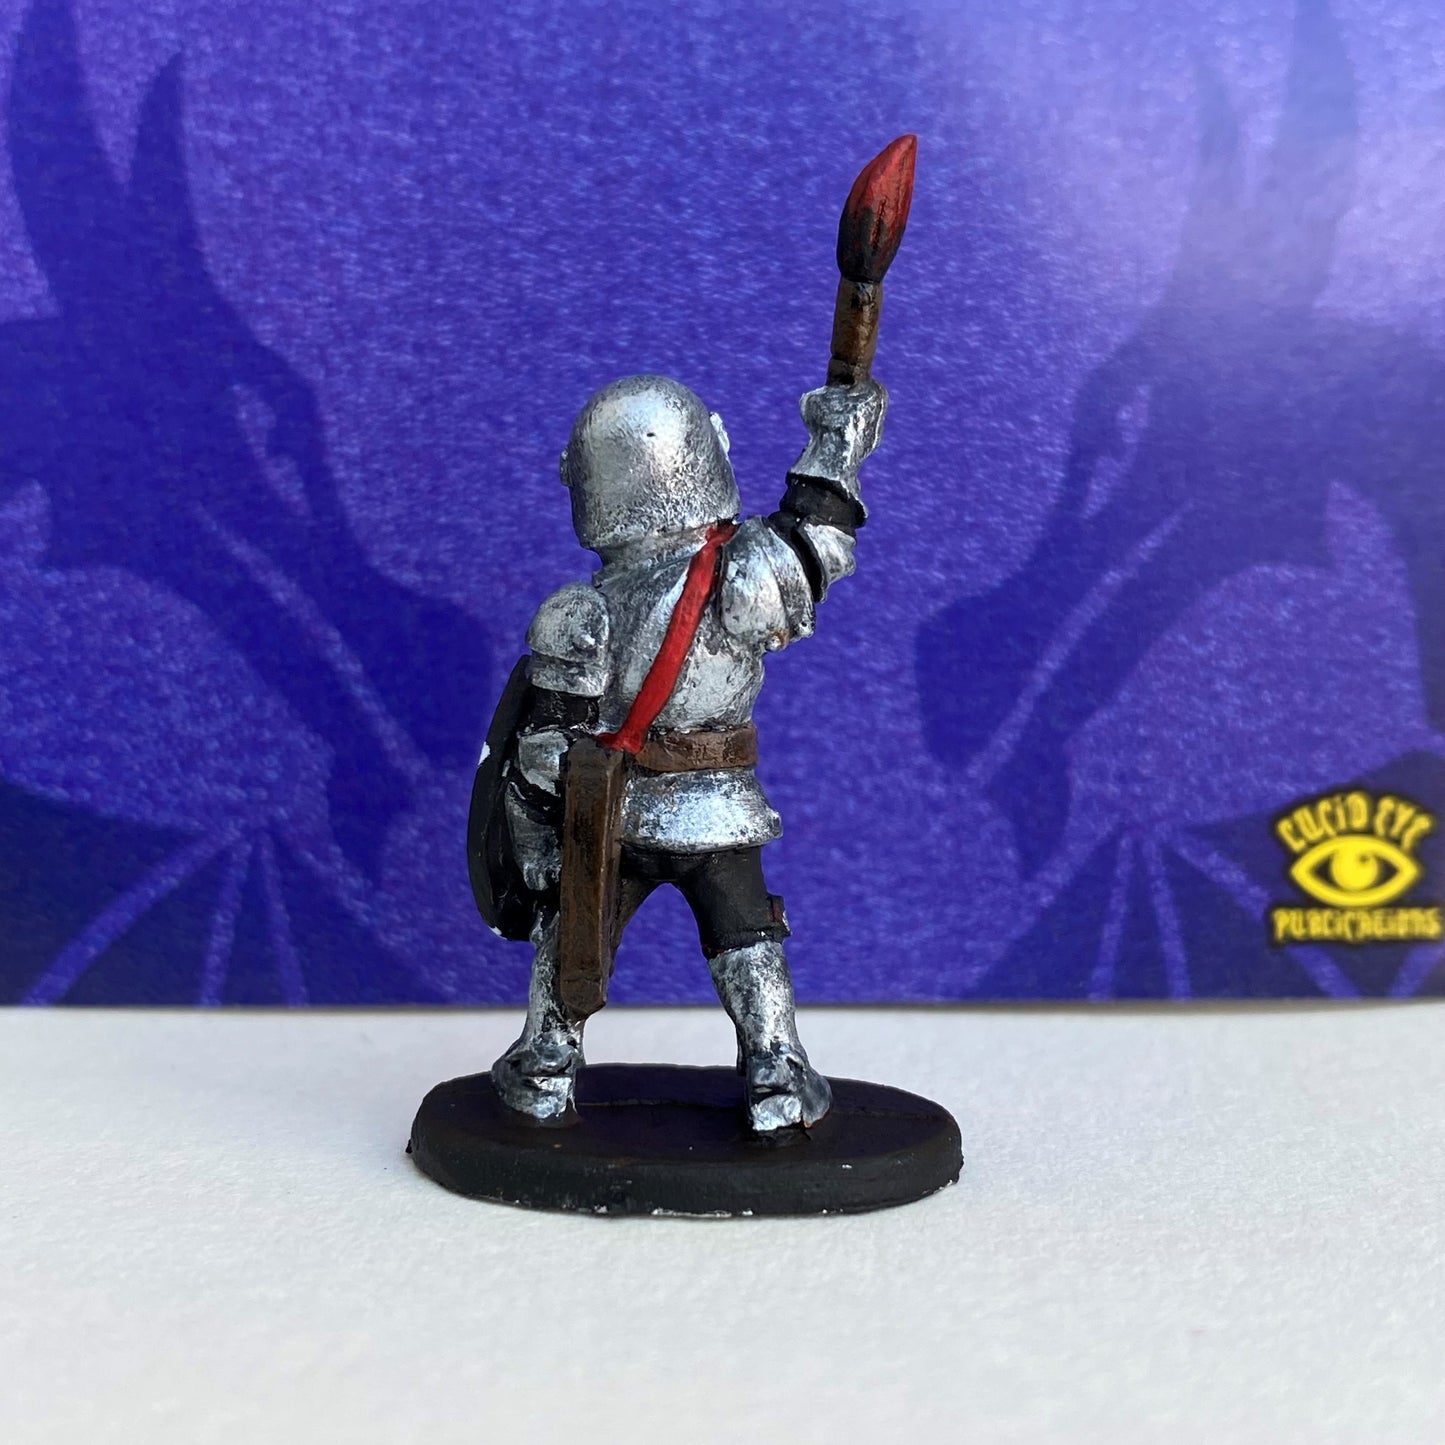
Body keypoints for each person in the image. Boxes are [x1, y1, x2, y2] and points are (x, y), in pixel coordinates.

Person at [492, 371, 886, 1132]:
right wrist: (836, 442)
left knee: (574, 937)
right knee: (747, 939)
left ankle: (545, 1066)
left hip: (615, 818)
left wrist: (538, 842)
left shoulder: (579, 612)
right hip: (717, 813)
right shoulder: (743, 573)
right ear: (702, 452)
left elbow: (544, 752)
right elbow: (818, 537)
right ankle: (775, 1069)